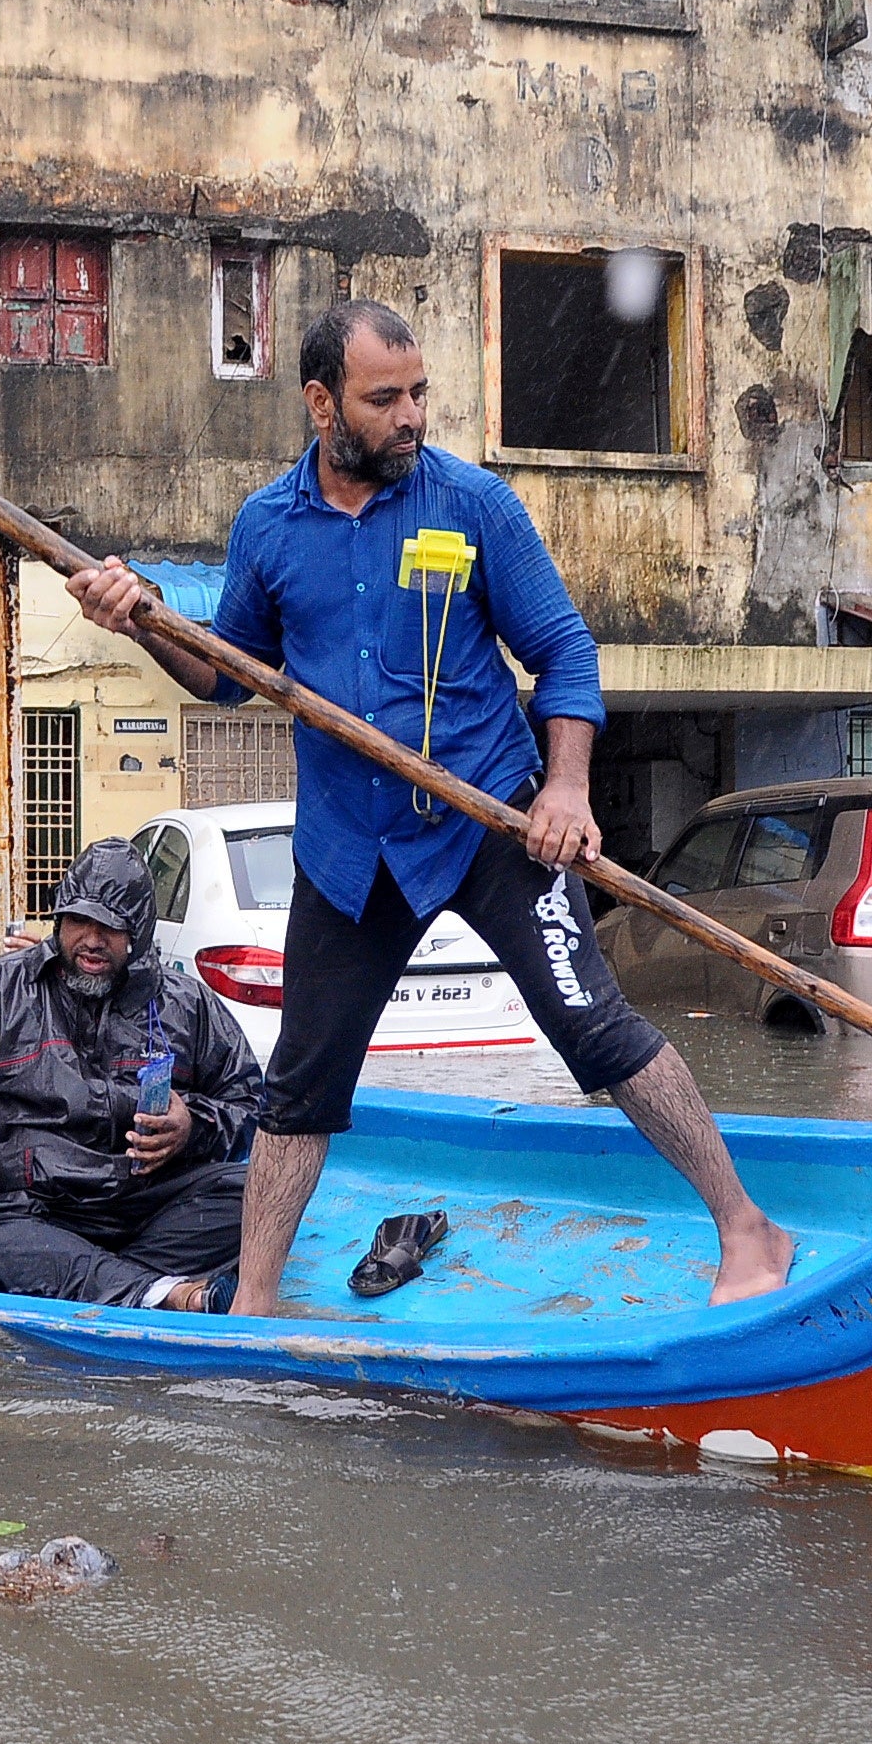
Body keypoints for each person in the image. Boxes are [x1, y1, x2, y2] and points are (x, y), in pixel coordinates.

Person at [66, 299, 795, 1315]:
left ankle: (750, 1230)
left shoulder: (473, 504)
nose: (410, 417)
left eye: (418, 394)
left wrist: (569, 790)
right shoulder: (268, 526)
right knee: (300, 1088)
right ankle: (257, 1306)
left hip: (490, 822)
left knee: (598, 1032)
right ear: (322, 404)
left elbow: (565, 654)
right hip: (348, 851)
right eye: (384, 399)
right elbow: (226, 675)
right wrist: (140, 616)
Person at [0, 840, 261, 1311]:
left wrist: (194, 1128)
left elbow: (250, 1107)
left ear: (139, 933)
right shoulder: (0, 988)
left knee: (258, 1193)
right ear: (59, 919)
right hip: (30, 1212)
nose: (91, 939)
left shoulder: (187, 1004)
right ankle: (160, 1291)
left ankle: (93, 1277)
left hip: (142, 1207)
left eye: (109, 927)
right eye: (79, 920)